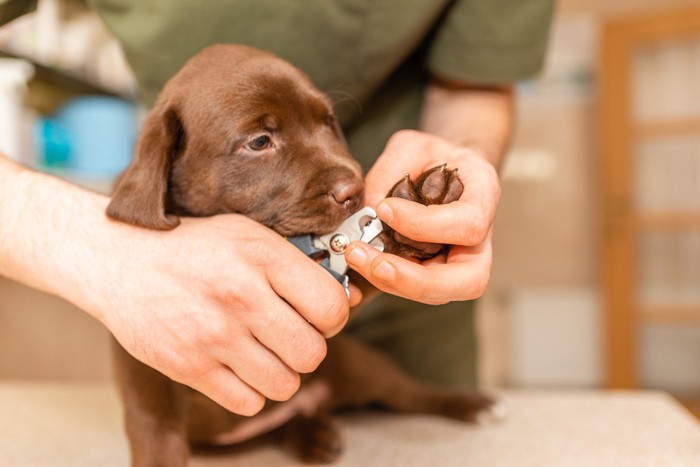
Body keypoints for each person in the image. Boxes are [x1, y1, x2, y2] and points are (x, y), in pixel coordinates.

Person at [0, 1, 555, 416]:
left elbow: (474, 80)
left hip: (402, 302)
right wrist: (105, 254)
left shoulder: (348, 185)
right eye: (261, 141)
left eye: (327, 123)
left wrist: (458, 167)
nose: (345, 177)